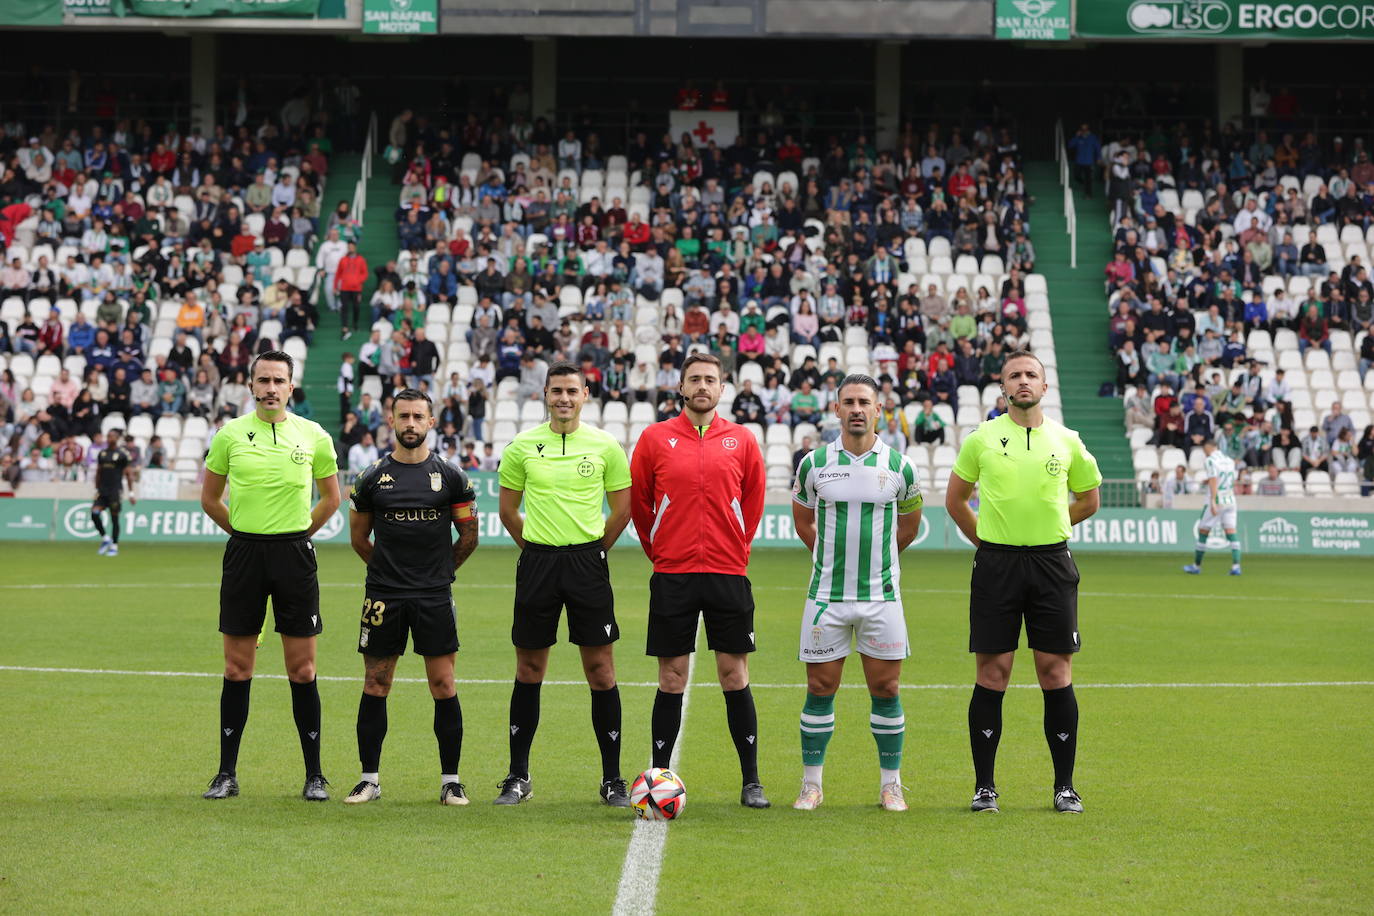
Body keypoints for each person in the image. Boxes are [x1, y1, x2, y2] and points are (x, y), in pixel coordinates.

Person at [945, 350, 1102, 815]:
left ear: (1044, 386)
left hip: (1052, 564)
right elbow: (956, 501)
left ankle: (1065, 787)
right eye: (1014, 375)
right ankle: (985, 788)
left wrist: (1054, 525)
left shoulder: (1067, 440)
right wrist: (987, 542)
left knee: (1055, 672)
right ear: (1003, 387)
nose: (1023, 381)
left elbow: (1089, 499)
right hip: (997, 566)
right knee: (993, 673)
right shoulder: (981, 439)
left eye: (1031, 374)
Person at [629, 353, 771, 810]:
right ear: (681, 387)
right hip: (673, 574)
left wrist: (736, 548)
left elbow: (752, 502)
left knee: (734, 674)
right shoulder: (655, 438)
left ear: (722, 388)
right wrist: (662, 550)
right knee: (672, 676)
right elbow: (640, 504)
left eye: (710, 379)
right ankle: (658, 778)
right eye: (695, 379)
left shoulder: (742, 439)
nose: (702, 386)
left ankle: (751, 781)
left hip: (728, 573)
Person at [199, 350, 342, 801]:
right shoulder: (229, 435)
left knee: (303, 668)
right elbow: (210, 499)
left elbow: (331, 499)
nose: (271, 388)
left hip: (294, 556)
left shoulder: (314, 436)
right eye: (263, 380)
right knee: (236, 668)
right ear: (251, 386)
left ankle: (314, 775)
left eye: (279, 381)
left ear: (291, 387)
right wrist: (244, 534)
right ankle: (226, 774)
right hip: (244, 556)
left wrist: (298, 536)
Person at [495, 362, 633, 806]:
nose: (564, 399)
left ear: (585, 394)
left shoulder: (606, 446)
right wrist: (537, 549)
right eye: (557, 391)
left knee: (601, 670)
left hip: (587, 564)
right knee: (529, 669)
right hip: (538, 563)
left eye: (572, 391)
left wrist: (593, 552)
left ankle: (612, 779)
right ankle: (518, 776)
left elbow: (623, 510)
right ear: (546, 395)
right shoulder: (521, 446)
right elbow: (508, 511)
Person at [790, 374, 924, 812]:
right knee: (819, 687)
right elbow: (803, 523)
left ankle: (891, 785)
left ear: (878, 409)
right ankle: (812, 785)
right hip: (826, 597)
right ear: (836, 409)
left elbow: (909, 527)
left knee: (886, 688)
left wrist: (878, 561)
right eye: (848, 402)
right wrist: (830, 558)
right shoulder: (813, 464)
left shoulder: (901, 466)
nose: (856, 409)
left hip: (881, 598)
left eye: (864, 402)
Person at [345, 390, 480, 806]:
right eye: (403, 416)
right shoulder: (370, 478)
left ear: (431, 422)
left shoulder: (452, 477)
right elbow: (359, 539)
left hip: (434, 596)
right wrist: (389, 573)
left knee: (443, 683)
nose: (410, 423)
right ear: (391, 420)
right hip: (383, 596)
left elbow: (469, 537)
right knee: (376, 682)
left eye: (418, 417)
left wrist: (439, 574)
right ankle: (369, 780)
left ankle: (451, 781)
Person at [1183, 438, 1242, 576]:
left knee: (1203, 531)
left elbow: (1214, 479)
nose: (1204, 452)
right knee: (1231, 532)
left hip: (1217, 500)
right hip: (1230, 500)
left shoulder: (1210, 461)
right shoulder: (1229, 460)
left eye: (1204, 449)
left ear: (1208, 447)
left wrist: (1213, 501)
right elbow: (1228, 479)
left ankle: (1196, 566)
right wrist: (1209, 481)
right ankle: (1236, 567)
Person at [91, 429, 137, 556]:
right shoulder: (102, 454)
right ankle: (105, 538)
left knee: (114, 518)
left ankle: (114, 546)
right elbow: (98, 472)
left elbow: (129, 474)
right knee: (94, 513)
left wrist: (131, 493)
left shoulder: (122, 454)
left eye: (112, 437)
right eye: (108, 436)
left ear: (117, 439)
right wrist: (96, 489)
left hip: (115, 491)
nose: (109, 439)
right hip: (102, 491)